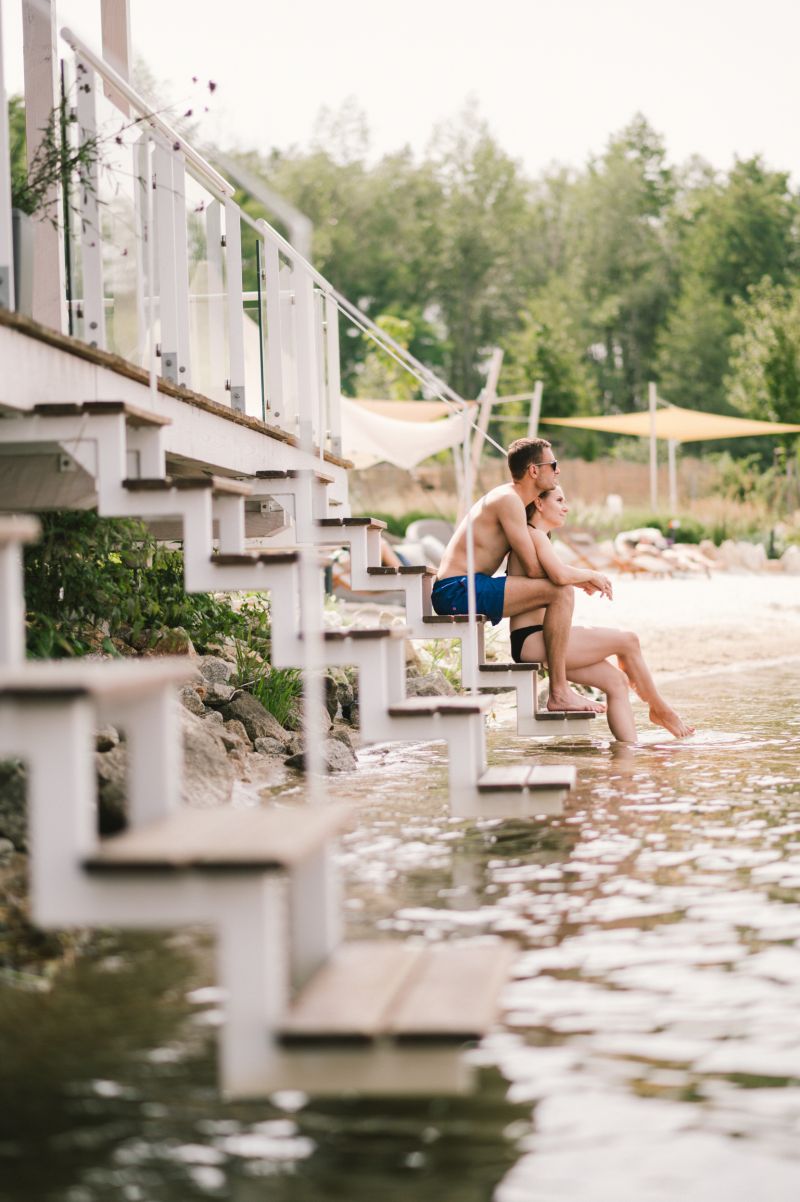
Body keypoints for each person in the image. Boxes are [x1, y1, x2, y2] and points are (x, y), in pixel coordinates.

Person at [432, 437, 606, 714]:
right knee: (560, 591)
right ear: (534, 470)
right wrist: (582, 575)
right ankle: (559, 692)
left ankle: (559, 685)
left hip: (468, 586)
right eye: (553, 464)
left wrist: (571, 575)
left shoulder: (515, 502)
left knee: (561, 588)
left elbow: (534, 568)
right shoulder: (508, 500)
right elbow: (536, 570)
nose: (558, 471)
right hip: (456, 591)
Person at [507, 485, 695, 742]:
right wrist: (591, 575)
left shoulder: (540, 538)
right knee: (628, 640)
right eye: (560, 500)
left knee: (617, 682)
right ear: (539, 503)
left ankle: (627, 761)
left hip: (544, 640)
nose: (566, 507)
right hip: (533, 640)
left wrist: (580, 579)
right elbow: (560, 574)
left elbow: (557, 572)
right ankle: (660, 708)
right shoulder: (533, 534)